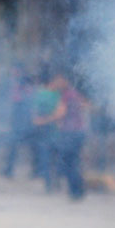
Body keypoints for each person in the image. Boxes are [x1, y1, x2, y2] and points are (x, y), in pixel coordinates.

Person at [36, 69, 90, 199]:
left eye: (59, 80)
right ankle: (77, 190)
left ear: (65, 80)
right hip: (78, 132)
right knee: (72, 162)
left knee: (67, 163)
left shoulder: (67, 95)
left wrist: (43, 120)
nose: (56, 83)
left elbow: (60, 113)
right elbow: (85, 106)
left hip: (71, 133)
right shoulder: (74, 94)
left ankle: (76, 191)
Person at [1, 66, 38, 178]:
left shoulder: (24, 88)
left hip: (26, 124)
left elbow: (18, 101)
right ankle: (9, 169)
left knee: (32, 148)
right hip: (19, 124)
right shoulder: (19, 86)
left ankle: (36, 170)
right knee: (14, 147)